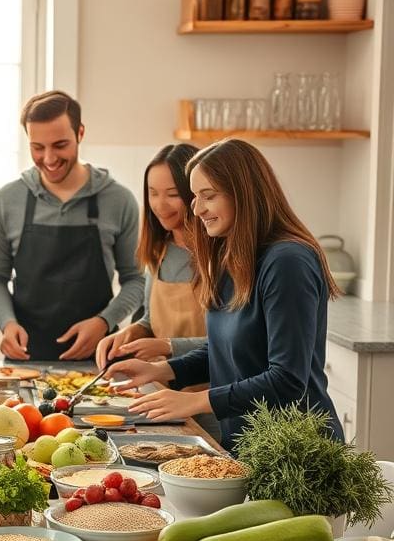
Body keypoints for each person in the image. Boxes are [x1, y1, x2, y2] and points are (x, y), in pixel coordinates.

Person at [109, 138, 343, 452]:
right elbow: (226, 348)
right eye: (194, 196)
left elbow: (286, 379)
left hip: (296, 453)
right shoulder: (229, 256)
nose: (196, 208)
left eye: (208, 196)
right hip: (246, 445)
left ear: (244, 195)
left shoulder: (288, 261)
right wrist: (163, 370)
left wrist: (194, 400)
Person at [0, 90, 144, 361]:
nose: (48, 159)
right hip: (26, 363)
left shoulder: (119, 200)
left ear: (80, 133)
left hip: (99, 364)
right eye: (37, 147)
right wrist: (7, 324)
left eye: (60, 145)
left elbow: (137, 280)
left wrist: (104, 322)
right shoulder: (7, 200)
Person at [95, 143, 206, 367]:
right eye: (152, 193)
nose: (159, 205)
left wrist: (168, 346)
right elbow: (150, 320)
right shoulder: (158, 251)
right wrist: (128, 334)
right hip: (163, 383)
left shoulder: (223, 257)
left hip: (211, 389)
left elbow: (233, 341)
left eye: (172, 194)